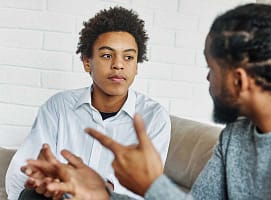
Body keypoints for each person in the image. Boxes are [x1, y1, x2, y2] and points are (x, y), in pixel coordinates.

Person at [23, 3, 271, 200]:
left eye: (212, 68)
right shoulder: (235, 138)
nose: (207, 79)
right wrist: (103, 194)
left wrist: (153, 185)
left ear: (239, 80)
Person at [6, 6, 171, 200]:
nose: (119, 64)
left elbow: (145, 188)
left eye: (128, 57)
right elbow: (22, 169)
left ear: (136, 66)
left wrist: (97, 190)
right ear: (87, 62)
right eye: (107, 55)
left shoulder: (154, 117)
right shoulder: (59, 106)